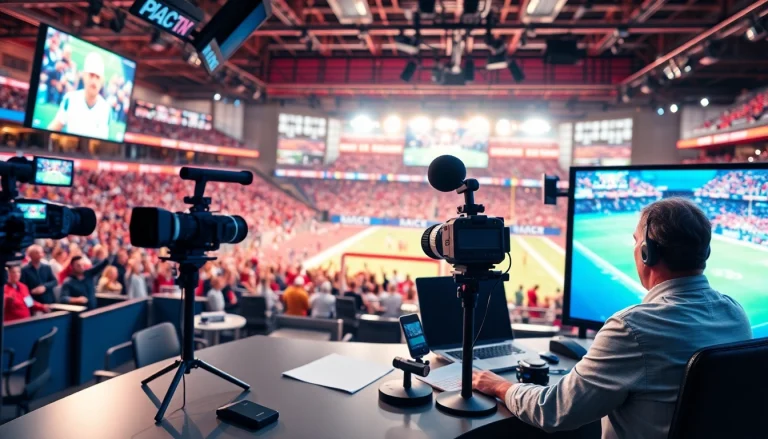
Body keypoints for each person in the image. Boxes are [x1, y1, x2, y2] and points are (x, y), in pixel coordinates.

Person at [472, 198, 752, 439]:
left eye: (636, 241)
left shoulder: (632, 328)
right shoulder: (736, 314)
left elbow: (555, 411)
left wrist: (499, 385)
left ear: (647, 253)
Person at [47, 52, 110, 139]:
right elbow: (54, 127)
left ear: (102, 81)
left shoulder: (106, 109)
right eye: (91, 75)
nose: (94, 80)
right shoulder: (70, 99)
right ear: (84, 76)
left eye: (97, 77)